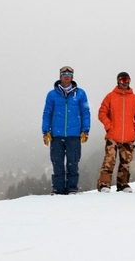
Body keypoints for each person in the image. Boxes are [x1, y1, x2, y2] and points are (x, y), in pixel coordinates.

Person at [42, 66, 91, 195]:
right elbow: (47, 113)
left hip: (74, 135)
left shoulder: (80, 93)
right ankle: (58, 189)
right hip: (56, 136)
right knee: (57, 163)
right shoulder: (52, 94)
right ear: (60, 76)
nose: (66, 76)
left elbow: (85, 112)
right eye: (64, 73)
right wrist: (45, 131)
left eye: (69, 73)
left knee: (73, 163)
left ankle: (72, 188)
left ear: (72, 76)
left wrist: (85, 130)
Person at [97, 72, 135, 193]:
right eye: (122, 80)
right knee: (109, 160)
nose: (125, 83)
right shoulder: (110, 96)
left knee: (126, 162)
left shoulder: (134, 98)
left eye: (127, 80)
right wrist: (109, 126)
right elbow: (102, 113)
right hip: (113, 135)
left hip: (128, 136)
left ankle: (123, 184)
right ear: (118, 81)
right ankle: (104, 184)